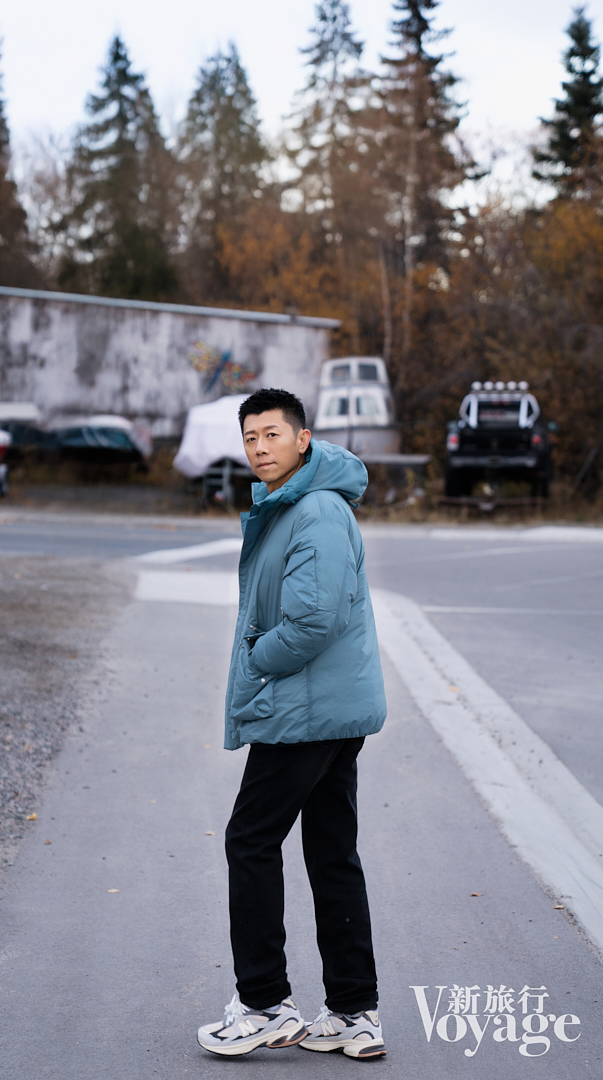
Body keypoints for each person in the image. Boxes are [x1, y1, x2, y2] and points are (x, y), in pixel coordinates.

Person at [197, 387, 388, 1060]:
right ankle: (354, 1013)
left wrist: (257, 656)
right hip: (325, 706)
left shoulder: (316, 510)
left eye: (272, 434)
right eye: (250, 437)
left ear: (303, 439)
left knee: (249, 840)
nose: (259, 447)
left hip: (308, 709)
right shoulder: (294, 504)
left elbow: (312, 621)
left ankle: (264, 1004)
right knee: (331, 850)